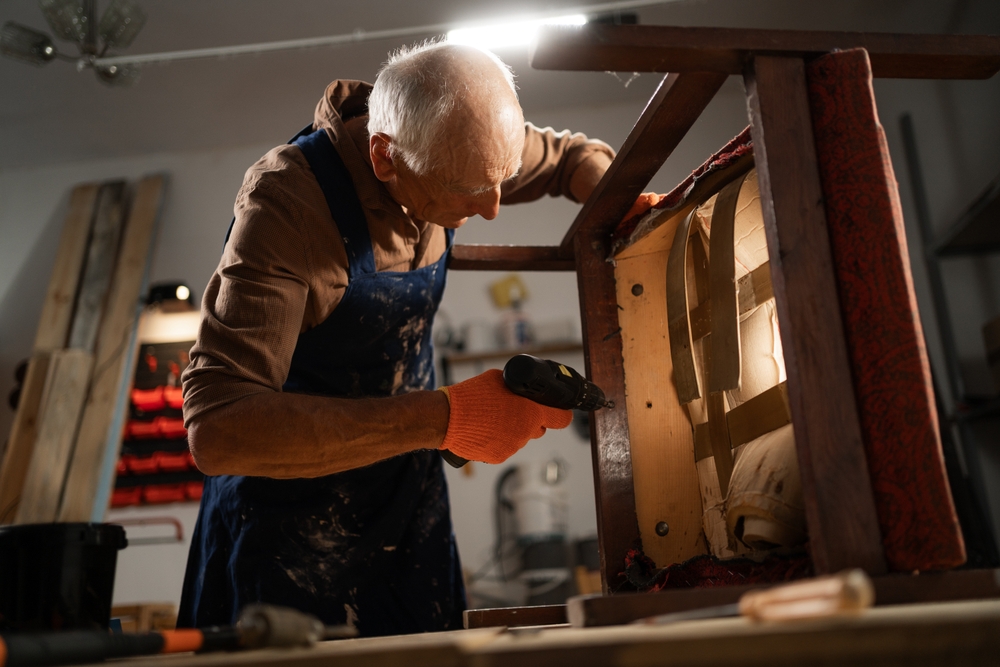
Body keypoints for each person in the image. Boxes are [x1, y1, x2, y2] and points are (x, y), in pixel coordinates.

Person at [177, 41, 653, 637]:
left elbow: (569, 157)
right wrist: (444, 418)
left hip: (406, 497)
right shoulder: (288, 207)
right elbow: (218, 429)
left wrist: (615, 200)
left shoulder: (455, 140)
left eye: (500, 178)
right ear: (384, 158)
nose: (494, 208)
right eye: (465, 191)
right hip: (288, 522)